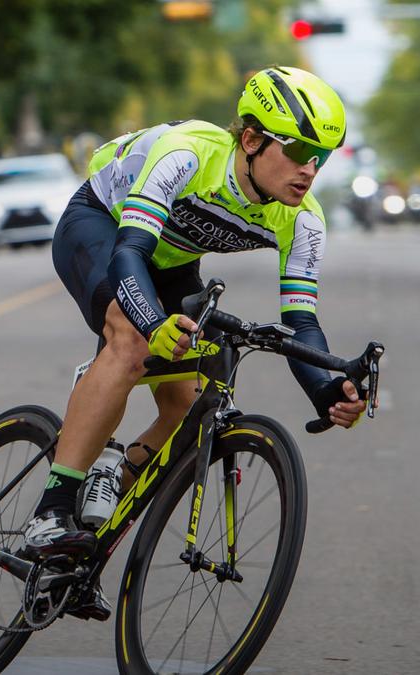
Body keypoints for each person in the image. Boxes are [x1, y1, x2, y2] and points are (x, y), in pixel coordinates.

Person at [21, 67, 370, 600]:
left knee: (189, 405)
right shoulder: (186, 155)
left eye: (321, 157)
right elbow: (130, 254)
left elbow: (301, 322)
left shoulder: (302, 220)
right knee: (133, 343)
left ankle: (102, 500)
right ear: (251, 139)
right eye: (299, 150)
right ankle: (51, 510)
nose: (309, 169)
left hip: (173, 260)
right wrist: (150, 323)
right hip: (105, 227)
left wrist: (326, 390)